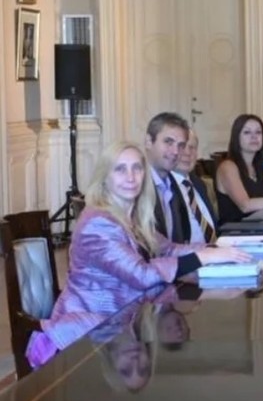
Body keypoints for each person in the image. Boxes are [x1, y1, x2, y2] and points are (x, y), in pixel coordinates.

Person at [25, 142, 250, 368]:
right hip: (89, 331)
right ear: (105, 177)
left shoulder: (132, 216)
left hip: (125, 323)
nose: (131, 176)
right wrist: (203, 258)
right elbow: (140, 275)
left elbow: (169, 248)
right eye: (120, 169)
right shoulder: (97, 222)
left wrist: (216, 250)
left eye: (137, 168)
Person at [144, 112, 192, 243]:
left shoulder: (174, 184)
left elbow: (182, 239)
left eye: (181, 145)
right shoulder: (135, 185)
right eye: (168, 142)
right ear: (148, 142)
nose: (176, 152)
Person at [171, 129, 219, 244]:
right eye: (182, 147)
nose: (188, 153)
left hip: (216, 253)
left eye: (192, 147)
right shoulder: (164, 188)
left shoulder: (199, 184)